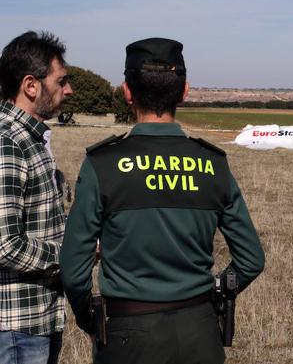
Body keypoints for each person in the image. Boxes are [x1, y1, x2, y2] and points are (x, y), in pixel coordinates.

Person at [59, 37, 265, 364]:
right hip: (200, 332)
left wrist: (92, 320)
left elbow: (72, 269)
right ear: (184, 91)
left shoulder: (102, 164)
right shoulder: (213, 163)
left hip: (127, 336)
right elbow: (252, 259)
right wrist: (216, 296)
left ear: (127, 91)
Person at [0, 31, 73, 364]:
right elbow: (5, 245)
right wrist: (72, 254)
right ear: (31, 85)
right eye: (61, 81)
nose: (68, 90)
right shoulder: (8, 142)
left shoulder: (32, 140)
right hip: (15, 329)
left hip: (37, 320)